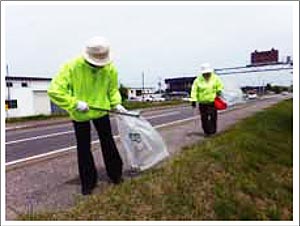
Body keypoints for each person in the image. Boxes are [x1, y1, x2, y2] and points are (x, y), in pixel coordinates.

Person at [48, 36, 126, 195]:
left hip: (101, 110)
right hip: (80, 112)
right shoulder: (71, 67)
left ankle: (116, 175)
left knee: (108, 142)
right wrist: (74, 103)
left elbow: (112, 89)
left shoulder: (110, 68)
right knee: (84, 147)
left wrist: (116, 103)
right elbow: (54, 91)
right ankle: (88, 183)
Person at [190, 63, 224, 136]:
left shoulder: (215, 78)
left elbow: (220, 86)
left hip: (212, 102)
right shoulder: (198, 80)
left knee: (213, 117)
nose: (207, 74)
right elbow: (194, 90)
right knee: (204, 118)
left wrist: (219, 91)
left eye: (208, 73)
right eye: (205, 73)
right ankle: (207, 132)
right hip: (203, 103)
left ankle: (213, 131)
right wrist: (193, 100)